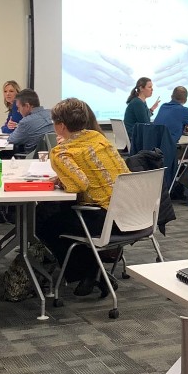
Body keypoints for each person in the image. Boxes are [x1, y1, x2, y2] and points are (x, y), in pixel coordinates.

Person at [36, 98, 132, 296]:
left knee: (42, 220)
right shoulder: (99, 139)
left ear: (61, 126)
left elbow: (78, 185)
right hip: (129, 212)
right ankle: (92, 273)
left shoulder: (62, 152)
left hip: (104, 218)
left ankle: (87, 272)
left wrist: (62, 178)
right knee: (63, 217)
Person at [7, 89, 53, 155]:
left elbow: (11, 140)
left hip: (31, 159)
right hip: (53, 158)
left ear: (27, 106)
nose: (18, 110)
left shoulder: (26, 122)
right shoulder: (52, 113)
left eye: (18, 107)